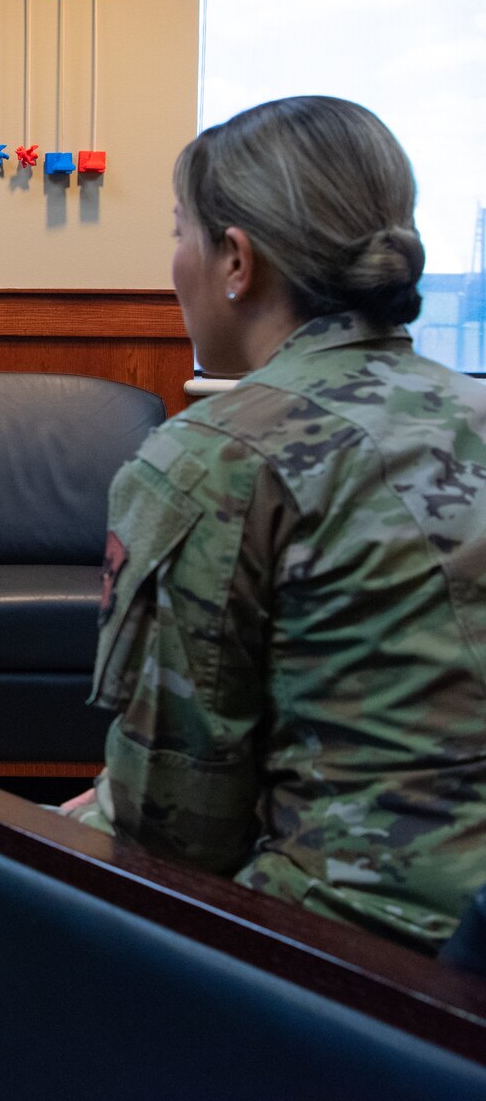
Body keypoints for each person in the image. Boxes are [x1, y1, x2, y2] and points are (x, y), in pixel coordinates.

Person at [63, 95, 486, 956]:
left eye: (181, 230)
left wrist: (102, 805)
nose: (172, 261)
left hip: (358, 956)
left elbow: (175, 839)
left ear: (236, 261)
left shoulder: (211, 456)